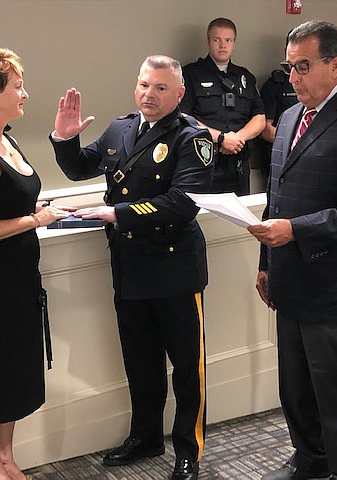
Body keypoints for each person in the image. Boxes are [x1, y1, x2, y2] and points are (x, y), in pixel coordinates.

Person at [50, 55, 213, 480]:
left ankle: (188, 451)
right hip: (130, 266)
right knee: (140, 361)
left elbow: (183, 203)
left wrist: (116, 214)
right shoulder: (121, 128)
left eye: (160, 88)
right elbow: (79, 167)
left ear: (178, 94)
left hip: (175, 269)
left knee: (187, 367)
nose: (149, 95)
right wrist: (64, 139)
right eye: (143, 85)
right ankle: (144, 436)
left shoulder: (192, 137)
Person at [247, 21, 337, 480]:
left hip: (333, 285)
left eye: (304, 67)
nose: (294, 77)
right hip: (288, 279)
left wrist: (294, 232)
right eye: (290, 67)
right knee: (294, 388)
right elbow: (277, 197)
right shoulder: (289, 117)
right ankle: (309, 463)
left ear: (335, 65)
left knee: (334, 390)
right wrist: (267, 263)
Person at [0, 46, 71, 480]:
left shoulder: (9, 140)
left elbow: (9, 205)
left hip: (20, 277)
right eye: (18, 87)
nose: (25, 94)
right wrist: (35, 220)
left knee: (15, 371)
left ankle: (6, 458)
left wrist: (37, 215)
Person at [181, 17, 265, 195]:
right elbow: (184, 117)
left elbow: (260, 118)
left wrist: (236, 139)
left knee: (240, 220)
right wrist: (221, 138)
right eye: (216, 40)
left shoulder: (245, 77)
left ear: (234, 43)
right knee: (205, 220)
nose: (222, 45)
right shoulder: (191, 74)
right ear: (208, 41)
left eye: (228, 40)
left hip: (239, 165)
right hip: (204, 163)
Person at [257, 33, 299, 177]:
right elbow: (265, 129)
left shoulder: (318, 86)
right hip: (282, 158)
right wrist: (298, 143)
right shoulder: (275, 85)